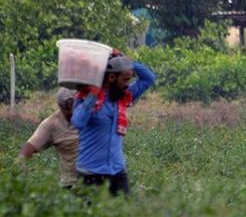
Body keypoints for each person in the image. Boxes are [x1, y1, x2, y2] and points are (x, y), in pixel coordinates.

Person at [72, 52, 156, 196]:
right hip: (89, 173)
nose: (128, 84)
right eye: (125, 79)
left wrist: (125, 60)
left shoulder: (124, 96)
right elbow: (77, 122)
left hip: (116, 171)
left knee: (125, 215)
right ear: (111, 77)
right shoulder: (86, 98)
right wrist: (93, 95)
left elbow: (149, 78)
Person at [18, 87, 79, 188]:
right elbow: (29, 147)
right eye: (67, 109)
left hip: (97, 178)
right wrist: (20, 166)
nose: (72, 112)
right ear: (60, 107)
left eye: (75, 107)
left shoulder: (93, 115)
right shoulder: (51, 124)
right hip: (71, 183)